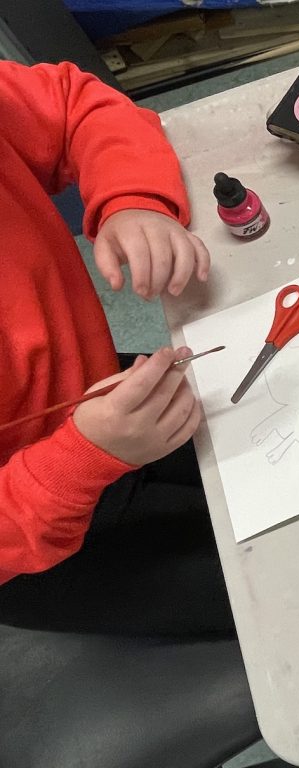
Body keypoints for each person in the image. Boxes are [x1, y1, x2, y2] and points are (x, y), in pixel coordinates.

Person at [0, 59, 232, 637]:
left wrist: (132, 199)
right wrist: (78, 460)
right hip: (40, 540)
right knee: (289, 592)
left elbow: (74, 104)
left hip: (107, 394)